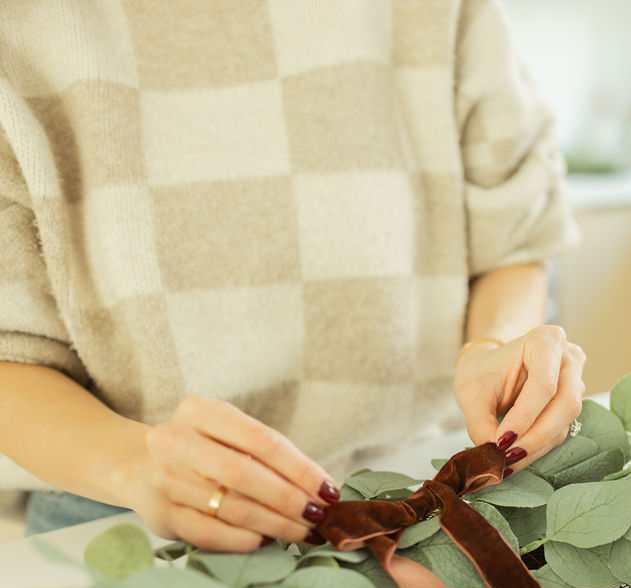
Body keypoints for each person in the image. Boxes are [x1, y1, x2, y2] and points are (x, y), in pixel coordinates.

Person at [0, 0, 584, 552]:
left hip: (430, 478)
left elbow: (510, 235)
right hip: (132, 518)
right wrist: (132, 464)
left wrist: (492, 348)